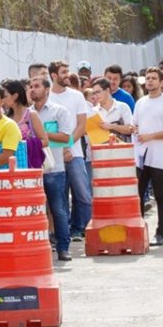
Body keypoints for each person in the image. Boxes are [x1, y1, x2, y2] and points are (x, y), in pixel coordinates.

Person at [133, 68, 163, 247]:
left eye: (154, 78)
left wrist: (151, 135)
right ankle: (139, 230)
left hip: (160, 156)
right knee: (137, 195)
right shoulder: (140, 103)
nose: (150, 81)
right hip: (141, 156)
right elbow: (135, 125)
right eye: (148, 78)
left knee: (160, 194)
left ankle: (161, 233)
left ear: (161, 82)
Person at [29, 76, 73, 261]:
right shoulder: (26, 114)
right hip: (33, 170)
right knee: (35, 212)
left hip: (54, 168)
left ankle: (63, 247)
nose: (32, 89)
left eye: (37, 86)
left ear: (47, 89)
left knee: (58, 209)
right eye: (30, 86)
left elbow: (65, 137)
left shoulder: (59, 111)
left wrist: (40, 132)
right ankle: (41, 247)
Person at [48, 61, 91, 241]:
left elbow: (82, 125)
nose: (68, 75)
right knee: (60, 198)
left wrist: (69, 144)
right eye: (63, 72)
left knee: (83, 194)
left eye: (67, 71)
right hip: (54, 156)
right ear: (54, 76)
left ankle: (83, 229)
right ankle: (63, 234)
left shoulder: (77, 96)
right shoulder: (47, 97)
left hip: (76, 153)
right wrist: (63, 148)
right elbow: (48, 128)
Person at [1, 79, 49, 167]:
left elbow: (45, 141)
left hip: (28, 165)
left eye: (5, 96)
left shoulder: (31, 114)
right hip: (9, 166)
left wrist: (24, 145)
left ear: (15, 96)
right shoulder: (5, 117)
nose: (2, 100)